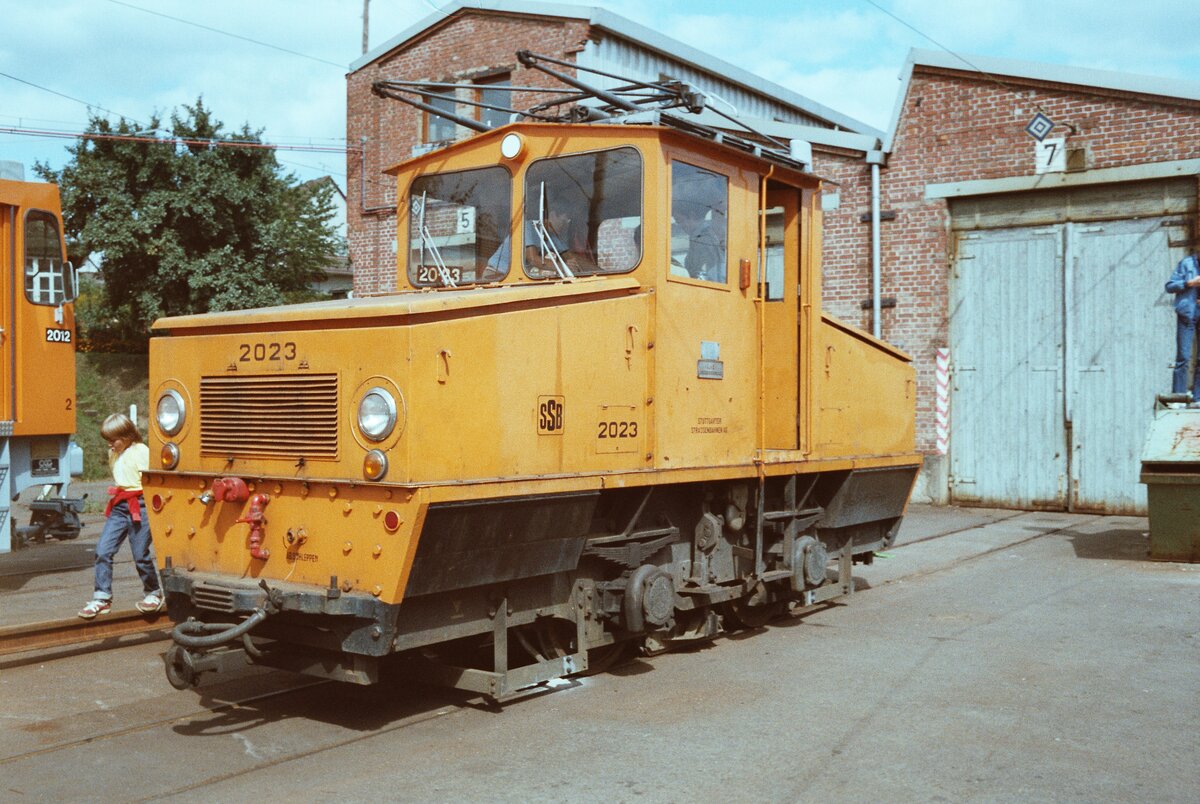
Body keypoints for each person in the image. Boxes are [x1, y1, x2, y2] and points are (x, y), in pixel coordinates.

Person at [77, 414, 164, 619]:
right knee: (103, 550)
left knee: (140, 554)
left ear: (127, 436)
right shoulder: (113, 453)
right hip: (120, 505)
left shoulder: (141, 451)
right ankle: (102, 598)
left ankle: (153, 592)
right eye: (107, 440)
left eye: (113, 440)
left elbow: (153, 480)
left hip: (140, 505)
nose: (110, 444)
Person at [487, 201, 595, 276]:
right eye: (563, 221)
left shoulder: (552, 237)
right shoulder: (528, 227)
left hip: (513, 278)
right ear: (552, 215)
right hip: (496, 275)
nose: (564, 226)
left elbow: (572, 257)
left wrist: (600, 272)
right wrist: (564, 267)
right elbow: (533, 259)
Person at [1165, 252, 1200, 405]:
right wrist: (1189, 283)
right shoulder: (1186, 263)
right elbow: (1169, 286)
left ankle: (1198, 398)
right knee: (1183, 357)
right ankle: (1178, 398)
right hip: (1187, 314)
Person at [672, 199, 725, 281]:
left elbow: (707, 273)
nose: (680, 226)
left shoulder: (704, 238)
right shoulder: (697, 236)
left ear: (692, 216)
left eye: (680, 221)